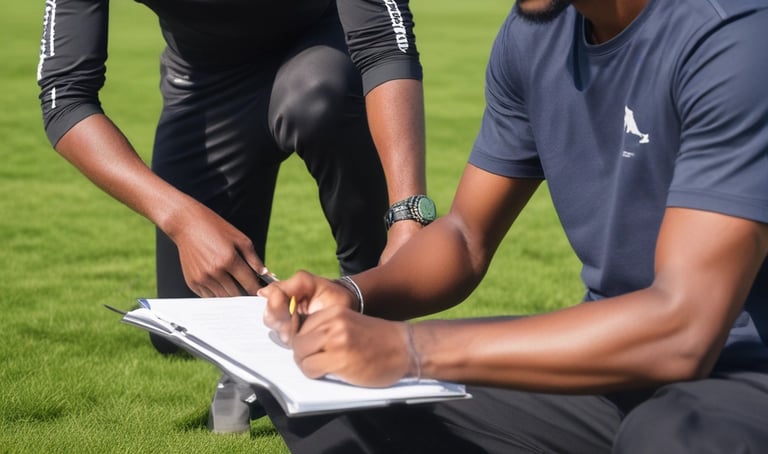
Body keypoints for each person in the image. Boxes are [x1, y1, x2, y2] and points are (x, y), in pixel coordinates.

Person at [260, 0, 768, 451]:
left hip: (743, 374)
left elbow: (684, 330)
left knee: (668, 437)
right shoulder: (536, 31)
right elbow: (463, 236)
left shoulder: (733, 36)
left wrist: (409, 349)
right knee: (329, 399)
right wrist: (351, 294)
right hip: (619, 362)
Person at [37, 0, 435, 434]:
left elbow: (383, 42)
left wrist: (407, 213)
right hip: (206, 85)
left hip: (324, 54)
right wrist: (181, 219)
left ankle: (370, 324)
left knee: (320, 95)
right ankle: (262, 359)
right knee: (187, 319)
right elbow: (64, 93)